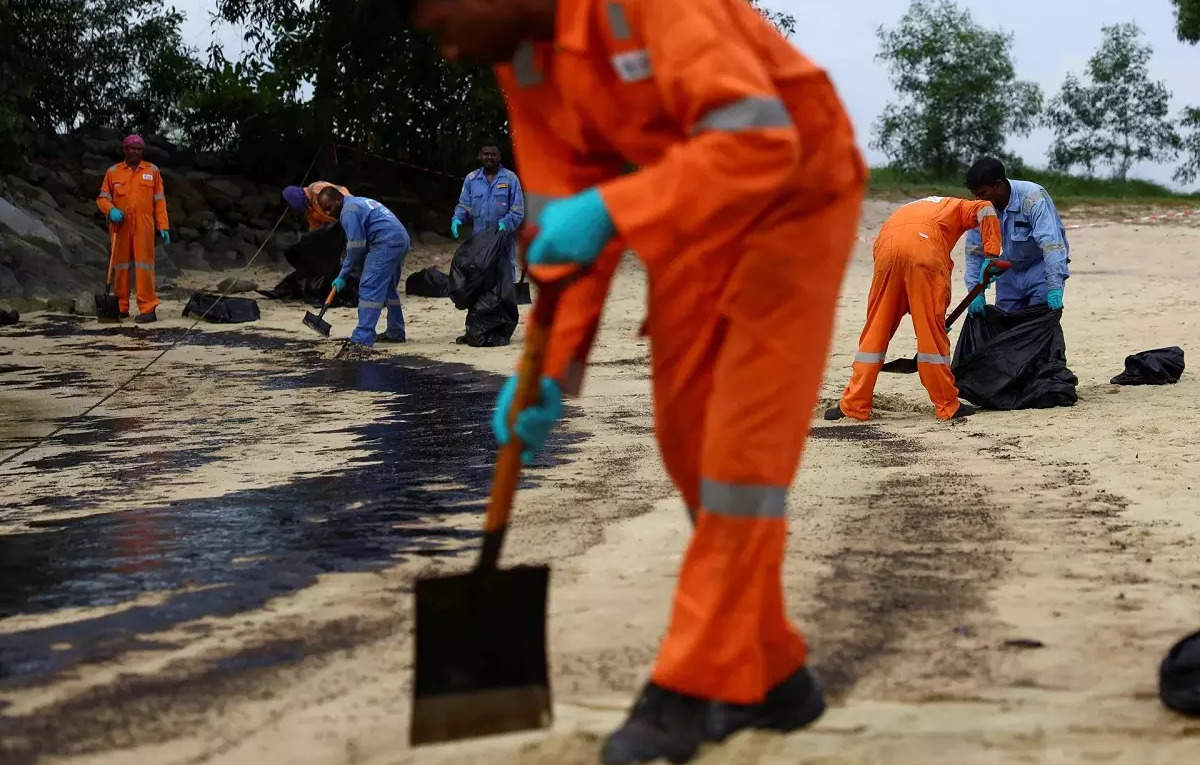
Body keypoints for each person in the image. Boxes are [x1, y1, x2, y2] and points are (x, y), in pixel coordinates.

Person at [413, 1, 866, 763]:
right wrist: (549, 369)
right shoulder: (522, 59)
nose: (445, 48)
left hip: (793, 199)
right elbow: (560, 219)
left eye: (437, 19)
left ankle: (686, 689)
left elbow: (759, 140)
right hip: (690, 211)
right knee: (687, 440)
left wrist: (615, 207)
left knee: (738, 464)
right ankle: (776, 675)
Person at [824, 197, 1003, 422]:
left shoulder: (911, 208)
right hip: (924, 251)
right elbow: (985, 208)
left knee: (876, 329)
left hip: (886, 249)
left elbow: (898, 249)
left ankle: (854, 405)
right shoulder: (957, 206)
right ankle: (947, 405)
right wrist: (992, 255)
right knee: (930, 333)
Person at [964, 157, 1070, 313]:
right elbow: (974, 252)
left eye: (983, 193)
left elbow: (1052, 244)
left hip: (1039, 271)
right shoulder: (980, 209)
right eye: (976, 195)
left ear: (998, 185)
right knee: (1007, 328)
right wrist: (975, 293)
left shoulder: (1033, 198)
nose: (979, 200)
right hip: (1008, 273)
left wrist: (1054, 286)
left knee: (1037, 327)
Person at [316, 187, 411, 346]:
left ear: (338, 200)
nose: (328, 213)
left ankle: (362, 336)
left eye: (329, 207)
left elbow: (356, 248)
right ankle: (395, 332)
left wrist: (342, 275)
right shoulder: (357, 202)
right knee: (387, 288)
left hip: (385, 243)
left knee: (369, 286)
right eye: (325, 210)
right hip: (400, 239)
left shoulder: (348, 211)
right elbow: (362, 244)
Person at [96, 134, 170, 323]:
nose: (136, 151)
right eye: (132, 148)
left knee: (144, 266)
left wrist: (163, 226)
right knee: (120, 267)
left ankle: (148, 308)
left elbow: (159, 201)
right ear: (125, 150)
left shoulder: (152, 171)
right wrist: (111, 210)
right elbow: (102, 198)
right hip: (120, 226)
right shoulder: (113, 172)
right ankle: (121, 306)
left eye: (139, 149)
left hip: (144, 225)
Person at [450, 140, 525, 281]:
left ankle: (504, 302)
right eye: (486, 154)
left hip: (503, 241)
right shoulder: (471, 179)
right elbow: (464, 205)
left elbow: (517, 209)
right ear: (480, 156)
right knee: (480, 276)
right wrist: (457, 218)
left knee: (504, 279)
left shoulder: (510, 178)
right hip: (479, 241)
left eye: (493, 154)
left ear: (499, 157)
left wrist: (506, 223)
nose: (489, 157)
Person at [282, 181, 352, 231]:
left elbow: (342, 193)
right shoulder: (309, 212)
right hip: (345, 226)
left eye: (292, 206)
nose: (294, 210)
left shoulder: (316, 188)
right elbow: (315, 229)